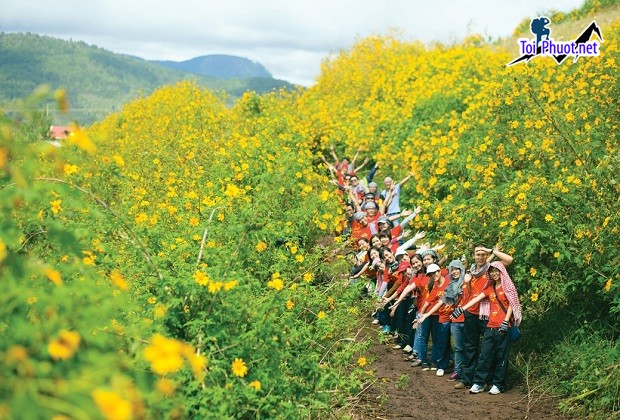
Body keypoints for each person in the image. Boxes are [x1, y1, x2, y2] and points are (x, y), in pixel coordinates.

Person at [451, 261, 522, 395]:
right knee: (485, 355)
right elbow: (476, 299)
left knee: (501, 356)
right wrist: (462, 309)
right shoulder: (490, 288)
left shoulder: (508, 287)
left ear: (501, 272)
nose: (494, 274)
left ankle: (498, 384)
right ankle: (478, 382)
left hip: (503, 326)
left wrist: (506, 321)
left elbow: (512, 304)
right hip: (490, 325)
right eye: (491, 271)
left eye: (496, 271)